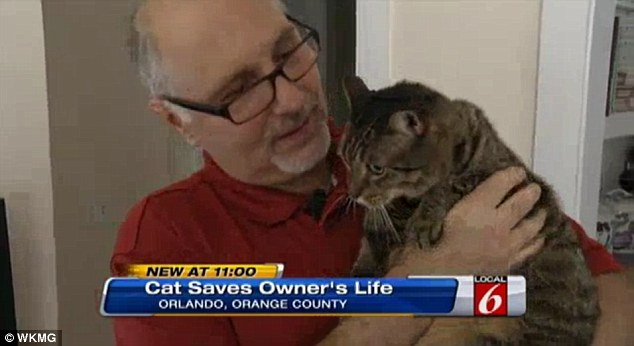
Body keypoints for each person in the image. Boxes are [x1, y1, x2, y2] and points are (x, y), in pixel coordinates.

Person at [110, 0, 630, 345]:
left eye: (289, 52)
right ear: (179, 121)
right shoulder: (164, 244)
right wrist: (433, 276)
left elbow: (609, 290)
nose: (293, 98)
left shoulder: (405, 153)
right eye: (238, 91)